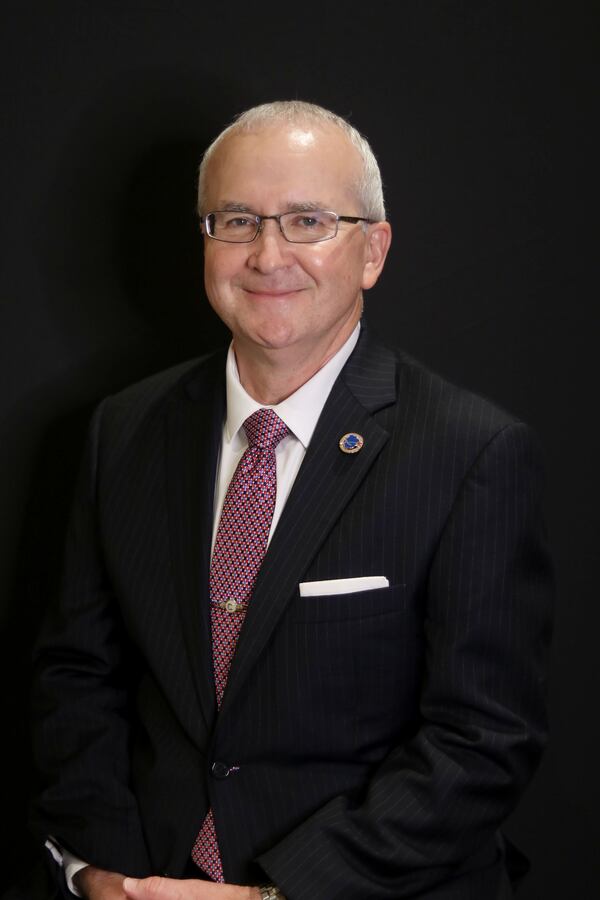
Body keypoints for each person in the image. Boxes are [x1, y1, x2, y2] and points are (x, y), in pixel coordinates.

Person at [30, 100, 554, 900]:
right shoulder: (124, 429)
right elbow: (77, 674)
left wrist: (275, 897)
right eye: (237, 221)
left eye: (309, 221)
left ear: (372, 251)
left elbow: (481, 741)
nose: (268, 255)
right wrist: (103, 871)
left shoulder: (472, 453)